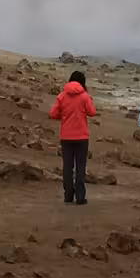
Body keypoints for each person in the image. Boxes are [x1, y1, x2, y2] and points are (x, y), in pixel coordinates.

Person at [49, 70, 97, 205]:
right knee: (80, 167)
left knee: (68, 167)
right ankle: (80, 197)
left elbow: (53, 114)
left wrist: (64, 116)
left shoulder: (62, 96)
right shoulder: (84, 96)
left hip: (66, 136)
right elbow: (92, 112)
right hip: (81, 137)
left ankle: (68, 195)